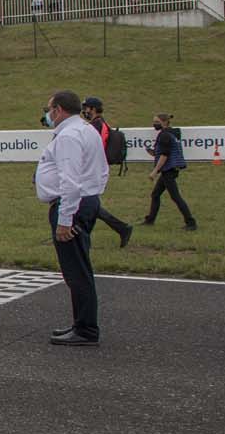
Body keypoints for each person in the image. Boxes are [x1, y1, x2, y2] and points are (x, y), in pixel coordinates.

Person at [35, 90, 108, 346]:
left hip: (72, 205)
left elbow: (70, 181)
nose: (48, 114)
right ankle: (81, 323)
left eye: (49, 109)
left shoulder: (68, 136)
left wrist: (65, 220)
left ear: (58, 109)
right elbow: (101, 171)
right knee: (79, 268)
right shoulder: (87, 130)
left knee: (76, 271)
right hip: (85, 202)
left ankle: (86, 329)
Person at [79, 97, 132, 248]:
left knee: (86, 202)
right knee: (88, 203)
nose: (84, 111)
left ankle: (121, 228)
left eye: (86, 108)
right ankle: (122, 228)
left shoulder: (96, 126)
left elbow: (93, 148)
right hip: (96, 168)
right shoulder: (100, 123)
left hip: (92, 169)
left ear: (93, 109)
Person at [144, 112, 197, 231]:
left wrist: (155, 171)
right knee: (155, 194)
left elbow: (164, 155)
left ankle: (191, 222)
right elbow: (165, 152)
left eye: (157, 122)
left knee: (176, 197)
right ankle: (150, 220)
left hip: (168, 169)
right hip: (171, 169)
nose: (154, 124)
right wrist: (153, 152)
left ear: (164, 122)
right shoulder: (171, 133)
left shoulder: (164, 136)